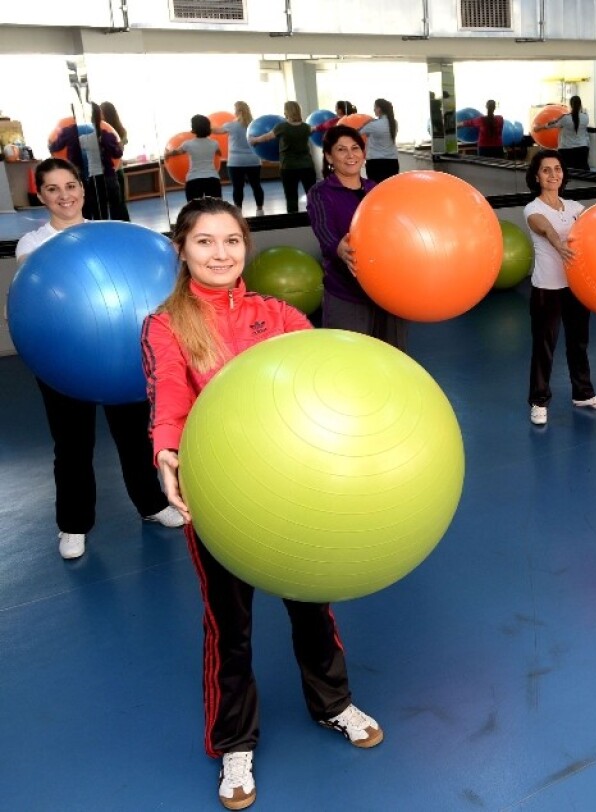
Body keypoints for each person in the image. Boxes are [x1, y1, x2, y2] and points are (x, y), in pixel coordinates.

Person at [142, 197, 382, 811]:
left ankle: (332, 703)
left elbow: (321, 382)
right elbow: (169, 395)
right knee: (231, 626)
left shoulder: (277, 314)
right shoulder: (166, 325)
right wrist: (166, 450)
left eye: (230, 241)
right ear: (182, 249)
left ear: (245, 246)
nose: (220, 253)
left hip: (292, 492)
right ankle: (235, 742)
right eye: (204, 242)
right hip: (217, 497)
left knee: (312, 607)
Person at [15, 158, 184, 561]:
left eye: (70, 186)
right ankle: (73, 525)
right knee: (72, 444)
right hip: (63, 358)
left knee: (133, 436)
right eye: (53, 189)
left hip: (125, 356)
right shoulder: (33, 245)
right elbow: (36, 303)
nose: (64, 195)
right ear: (41, 196)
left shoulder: (113, 235)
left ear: (83, 189)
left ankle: (152, 504)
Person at [522, 150, 596, 427]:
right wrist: (556, 241)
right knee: (544, 346)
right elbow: (544, 227)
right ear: (536, 176)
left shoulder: (574, 208)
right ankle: (538, 401)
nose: (553, 175)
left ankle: (583, 393)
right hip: (547, 288)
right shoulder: (533, 208)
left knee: (579, 343)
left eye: (557, 169)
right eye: (546, 170)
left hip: (575, 287)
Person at [308, 125, 408, 350]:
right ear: (329, 156)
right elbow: (324, 230)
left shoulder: (376, 189)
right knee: (351, 359)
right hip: (347, 292)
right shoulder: (321, 192)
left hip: (388, 290)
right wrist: (338, 248)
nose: (350, 155)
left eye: (355, 148)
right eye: (341, 149)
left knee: (392, 355)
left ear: (364, 154)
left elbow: (393, 230)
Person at [48, 102, 126, 221]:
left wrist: (51, 144)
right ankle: (117, 233)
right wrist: (118, 146)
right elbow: (117, 153)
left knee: (86, 212)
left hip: (82, 179)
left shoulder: (68, 132)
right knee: (112, 211)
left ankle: (91, 235)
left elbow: (54, 147)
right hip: (106, 177)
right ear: (97, 114)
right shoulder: (104, 132)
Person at [248, 101, 315, 213]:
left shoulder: (282, 127)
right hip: (307, 166)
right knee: (312, 195)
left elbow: (267, 137)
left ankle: (293, 222)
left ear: (286, 111)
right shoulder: (306, 127)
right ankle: (315, 218)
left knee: (291, 197)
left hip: (289, 167)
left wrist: (254, 140)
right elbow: (314, 129)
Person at [214, 101, 265, 215]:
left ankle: (238, 211)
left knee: (237, 188)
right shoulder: (254, 124)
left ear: (237, 111)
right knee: (256, 185)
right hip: (253, 160)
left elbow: (216, 131)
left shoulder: (231, 125)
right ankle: (260, 209)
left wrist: (204, 125)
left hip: (236, 162)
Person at [165, 114, 223, 202]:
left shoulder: (188, 144)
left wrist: (167, 153)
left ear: (194, 128)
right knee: (215, 209)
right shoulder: (214, 143)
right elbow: (219, 153)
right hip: (212, 179)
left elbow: (176, 152)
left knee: (194, 210)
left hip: (194, 180)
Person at [534, 95, 590, 171]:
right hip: (582, 148)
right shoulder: (585, 117)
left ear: (570, 105)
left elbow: (552, 124)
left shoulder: (565, 118)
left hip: (567, 150)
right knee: (584, 173)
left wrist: (539, 127)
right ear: (580, 104)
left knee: (567, 173)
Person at [99, 101, 131, 220]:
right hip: (115, 170)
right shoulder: (117, 130)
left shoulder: (108, 131)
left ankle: (120, 225)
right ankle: (123, 224)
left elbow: (120, 148)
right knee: (118, 202)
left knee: (116, 202)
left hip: (112, 171)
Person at [360, 98, 400, 183]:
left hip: (375, 163)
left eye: (375, 107)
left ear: (379, 109)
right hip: (392, 162)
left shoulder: (373, 125)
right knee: (390, 188)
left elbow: (356, 133)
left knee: (376, 189)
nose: (374, 109)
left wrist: (366, 123)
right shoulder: (394, 123)